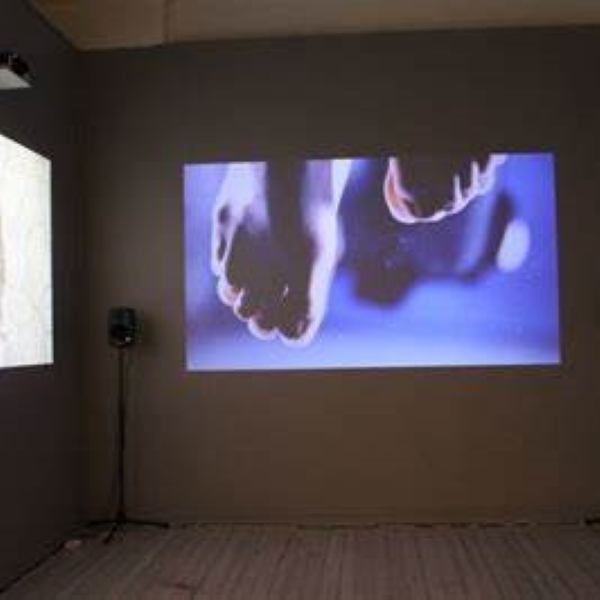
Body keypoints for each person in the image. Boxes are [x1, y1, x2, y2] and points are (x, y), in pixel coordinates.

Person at [210, 154, 507, 346]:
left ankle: (306, 166)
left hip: (379, 238)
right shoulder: (451, 257)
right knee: (453, 242)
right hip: (397, 244)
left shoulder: (448, 256)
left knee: (452, 237)